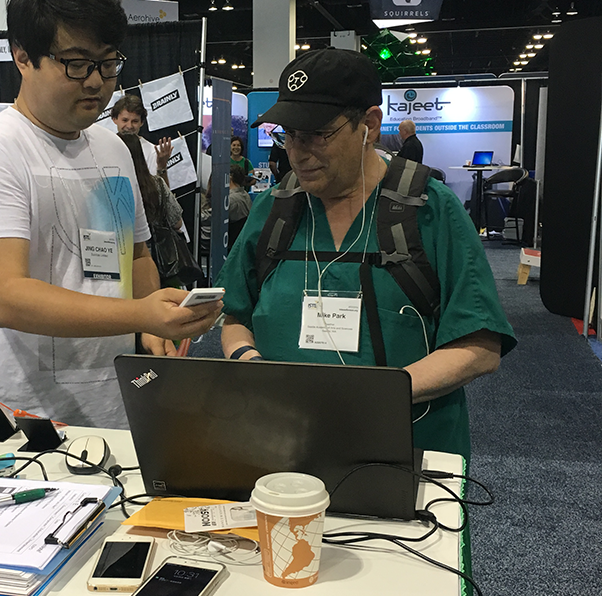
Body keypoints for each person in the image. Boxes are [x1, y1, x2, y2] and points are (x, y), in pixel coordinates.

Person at [215, 48, 516, 462]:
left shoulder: (431, 210)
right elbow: (235, 316)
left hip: (405, 450)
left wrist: (366, 398)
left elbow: (480, 346)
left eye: (318, 134)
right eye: (289, 134)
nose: (297, 153)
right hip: (282, 445)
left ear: (369, 125)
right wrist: (252, 365)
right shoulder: (273, 209)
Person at [0, 0, 221, 428]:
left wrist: (153, 328)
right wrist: (142, 314)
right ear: (22, 57)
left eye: (107, 64)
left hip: (115, 399)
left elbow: (136, 255)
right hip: (19, 413)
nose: (96, 81)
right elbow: (5, 297)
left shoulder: (112, 150)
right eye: (76, 64)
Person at [116, 132, 183, 232]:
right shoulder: (156, 184)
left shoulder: (106, 188)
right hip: (152, 240)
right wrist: (161, 167)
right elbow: (176, 223)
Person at [110, 94, 171, 186]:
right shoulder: (106, 145)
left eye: (135, 121)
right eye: (125, 120)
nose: (129, 126)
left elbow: (161, 191)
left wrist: (162, 166)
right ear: (114, 119)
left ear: (142, 122)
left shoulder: (151, 151)